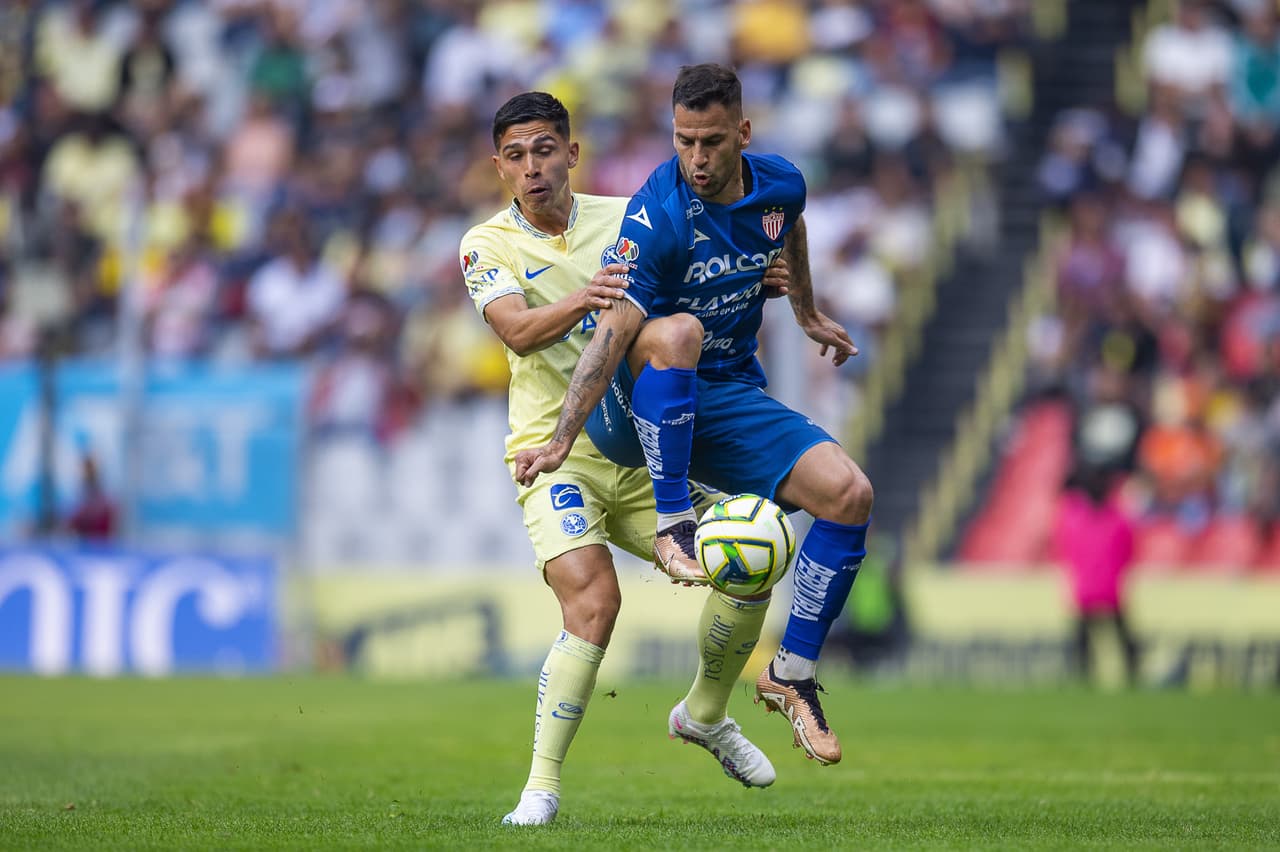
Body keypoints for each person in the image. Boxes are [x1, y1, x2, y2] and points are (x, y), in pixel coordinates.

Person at [515, 64, 875, 767]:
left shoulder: (780, 184)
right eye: (684, 142)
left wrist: (804, 310)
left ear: (742, 132)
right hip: (630, 401)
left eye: (711, 142)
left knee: (849, 494)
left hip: (727, 392)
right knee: (677, 333)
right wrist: (561, 439)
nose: (698, 160)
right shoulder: (658, 215)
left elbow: (786, 229)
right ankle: (676, 520)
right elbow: (612, 335)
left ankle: (790, 674)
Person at [460, 92, 788, 827]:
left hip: (644, 452)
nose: (532, 167)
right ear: (499, 168)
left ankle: (704, 714)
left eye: (545, 149)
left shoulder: (628, 219)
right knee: (594, 603)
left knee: (753, 560)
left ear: (572, 155)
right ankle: (540, 788)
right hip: (555, 456)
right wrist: (588, 297)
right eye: (515, 156)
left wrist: (757, 279)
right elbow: (515, 333)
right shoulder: (487, 245)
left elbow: (701, 284)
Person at [1052, 466, 1139, 684]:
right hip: (1110, 588)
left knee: (1084, 642)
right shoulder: (1118, 518)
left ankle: (1084, 677)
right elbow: (1129, 550)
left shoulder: (1073, 518)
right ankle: (1131, 675)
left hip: (1085, 590)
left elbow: (1063, 549)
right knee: (1121, 638)